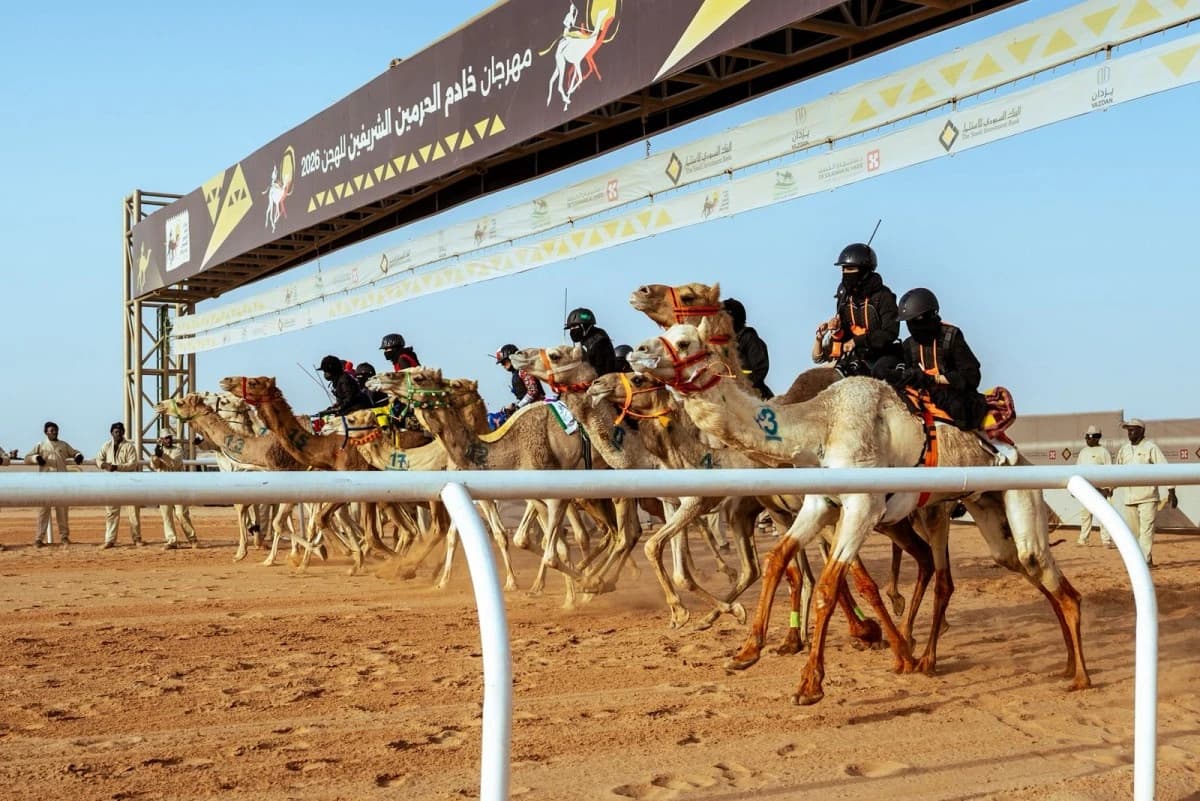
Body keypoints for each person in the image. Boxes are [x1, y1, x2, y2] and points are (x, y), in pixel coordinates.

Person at [890, 287, 989, 430]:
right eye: (909, 322)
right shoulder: (908, 346)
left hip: (955, 399)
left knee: (959, 407)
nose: (913, 326)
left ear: (930, 315)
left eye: (916, 320)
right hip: (924, 399)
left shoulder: (952, 336)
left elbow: (972, 376)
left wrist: (934, 379)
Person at [819, 242, 902, 377]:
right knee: (833, 375)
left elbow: (891, 333)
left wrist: (857, 341)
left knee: (879, 373)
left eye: (850, 269)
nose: (845, 273)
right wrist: (838, 330)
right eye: (843, 269)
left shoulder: (884, 296)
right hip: (856, 356)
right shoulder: (844, 296)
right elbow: (845, 335)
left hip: (883, 356)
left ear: (864, 271)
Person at [1115, 418, 1177, 566]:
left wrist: (1171, 491)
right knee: (1134, 533)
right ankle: (1145, 558)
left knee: (1146, 532)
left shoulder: (1151, 448)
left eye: (1133, 429)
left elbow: (1165, 469)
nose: (1130, 432)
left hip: (1148, 497)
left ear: (1142, 431)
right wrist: (1108, 488)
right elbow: (1116, 472)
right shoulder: (1124, 450)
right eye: (1128, 430)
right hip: (1129, 499)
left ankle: (1143, 562)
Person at [23, 421, 84, 547]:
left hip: (61, 483)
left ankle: (64, 537)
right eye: (51, 430)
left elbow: (75, 452)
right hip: (46, 483)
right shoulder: (41, 445)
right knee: (43, 511)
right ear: (46, 432)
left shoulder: (63, 445)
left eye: (55, 430)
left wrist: (78, 456)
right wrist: (36, 458)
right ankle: (39, 539)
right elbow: (27, 458)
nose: (54, 432)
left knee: (62, 511)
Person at [96, 421, 142, 549]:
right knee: (111, 513)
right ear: (111, 433)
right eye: (116, 432)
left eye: (121, 431)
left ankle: (137, 538)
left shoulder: (129, 447)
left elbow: (133, 464)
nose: (119, 434)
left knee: (133, 512)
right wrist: (105, 465)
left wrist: (117, 467)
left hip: (128, 484)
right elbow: (98, 459)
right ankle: (110, 540)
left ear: (123, 432)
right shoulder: (106, 446)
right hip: (111, 484)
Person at [150, 433, 199, 550]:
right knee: (166, 515)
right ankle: (171, 540)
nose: (168, 440)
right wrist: (156, 456)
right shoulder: (158, 452)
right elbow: (155, 466)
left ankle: (192, 539)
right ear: (161, 440)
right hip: (163, 488)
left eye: (169, 437)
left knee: (181, 513)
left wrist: (161, 455)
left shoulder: (178, 450)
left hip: (178, 487)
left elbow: (174, 464)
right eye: (165, 438)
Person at [722, 298, 773, 399]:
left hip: (753, 396)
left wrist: (743, 385)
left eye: (723, 316)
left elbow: (761, 368)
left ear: (732, 318)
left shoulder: (748, 337)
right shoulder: (722, 342)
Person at [1075, 425, 1114, 547]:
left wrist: (1108, 488)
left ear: (1097, 438)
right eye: (1086, 437)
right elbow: (1077, 470)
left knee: (1103, 516)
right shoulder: (1083, 452)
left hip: (1101, 491)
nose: (1088, 440)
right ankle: (1083, 539)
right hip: (1085, 490)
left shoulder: (1104, 452)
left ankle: (1106, 540)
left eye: (1090, 437)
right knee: (1085, 516)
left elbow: (1110, 472)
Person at [564, 307, 617, 376]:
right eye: (570, 328)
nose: (572, 330)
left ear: (585, 326)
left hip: (602, 384)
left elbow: (602, 371)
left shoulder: (600, 343)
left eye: (574, 326)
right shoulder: (585, 343)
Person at [495, 344, 545, 413]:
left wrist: (518, 406)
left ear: (511, 358)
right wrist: (514, 405)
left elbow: (533, 391)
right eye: (501, 363)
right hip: (528, 408)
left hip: (538, 407)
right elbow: (522, 397)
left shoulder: (523, 370)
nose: (503, 365)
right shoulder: (515, 373)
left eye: (504, 362)